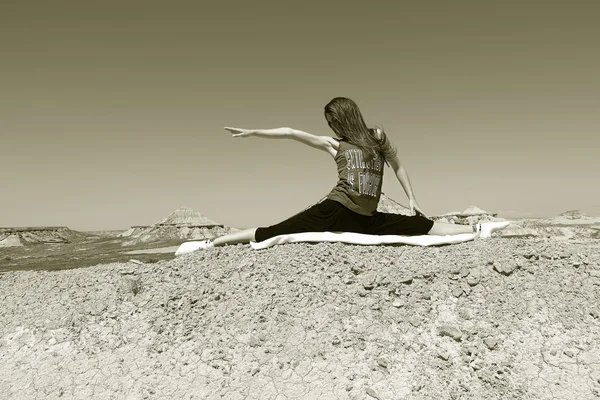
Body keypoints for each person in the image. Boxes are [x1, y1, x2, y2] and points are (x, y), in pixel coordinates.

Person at [199, 97, 508, 249]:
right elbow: (292, 132)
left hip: (361, 216)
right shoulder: (338, 144)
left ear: (341, 120)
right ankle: (211, 243)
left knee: (421, 225)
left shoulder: (374, 138)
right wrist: (253, 132)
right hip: (337, 210)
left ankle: (478, 231)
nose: (330, 128)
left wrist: (412, 199)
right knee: (276, 231)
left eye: (332, 122)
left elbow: (398, 166)